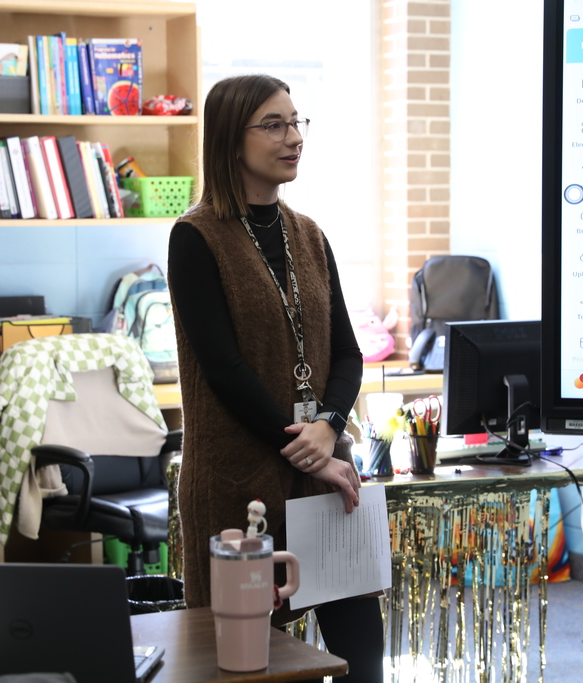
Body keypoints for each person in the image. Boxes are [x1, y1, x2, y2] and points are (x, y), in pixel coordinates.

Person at [168, 74, 384, 682]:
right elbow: (224, 370)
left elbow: (348, 352)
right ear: (231, 141)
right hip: (239, 483)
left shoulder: (310, 235)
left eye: (297, 123)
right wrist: (313, 447)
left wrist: (329, 426)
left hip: (323, 475)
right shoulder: (196, 236)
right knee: (244, 662)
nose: (293, 138)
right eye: (274, 125)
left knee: (361, 649)